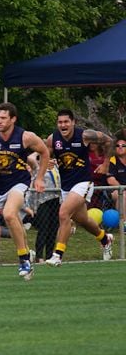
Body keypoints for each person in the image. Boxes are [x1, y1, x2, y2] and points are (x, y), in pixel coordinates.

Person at [0, 101, 51, 279]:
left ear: (13, 119)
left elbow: (45, 152)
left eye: (3, 118)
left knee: (8, 214)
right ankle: (28, 252)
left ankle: (23, 259)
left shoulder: (25, 136)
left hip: (20, 182)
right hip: (0, 188)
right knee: (13, 220)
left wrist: (39, 178)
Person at [42, 109, 114, 265]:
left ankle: (58, 254)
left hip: (83, 182)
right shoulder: (52, 139)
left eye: (66, 121)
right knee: (83, 219)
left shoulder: (85, 136)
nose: (63, 125)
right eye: (60, 122)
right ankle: (104, 239)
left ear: (73, 122)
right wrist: (46, 162)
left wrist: (106, 163)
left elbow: (109, 141)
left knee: (63, 213)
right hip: (66, 186)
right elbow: (45, 154)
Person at [25, 152, 62, 263]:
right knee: (44, 228)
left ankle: (50, 255)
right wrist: (41, 149)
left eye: (50, 157)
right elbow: (29, 158)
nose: (48, 159)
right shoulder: (38, 167)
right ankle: (39, 255)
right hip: (42, 201)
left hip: (56, 200)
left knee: (53, 229)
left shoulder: (55, 166)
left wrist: (55, 161)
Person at [106, 129, 126, 208]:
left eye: (123, 146)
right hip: (115, 190)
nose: (120, 147)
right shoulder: (112, 160)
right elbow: (111, 181)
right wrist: (123, 190)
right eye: (118, 146)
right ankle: (123, 220)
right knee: (123, 196)